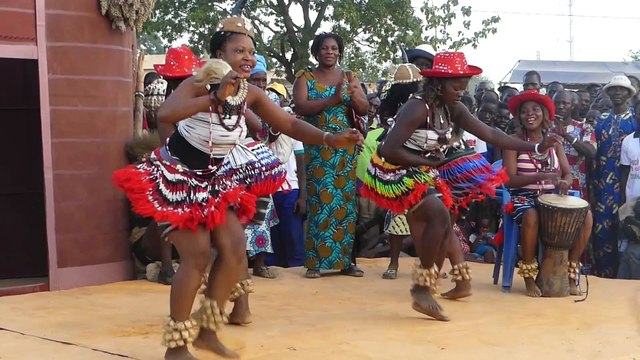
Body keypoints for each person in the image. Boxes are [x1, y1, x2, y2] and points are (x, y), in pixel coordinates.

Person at [113, 17, 362, 360]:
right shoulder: (199, 83)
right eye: (239, 50)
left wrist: (330, 138)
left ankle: (207, 332)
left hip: (215, 181)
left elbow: (288, 123)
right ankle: (176, 348)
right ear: (219, 53)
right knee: (198, 257)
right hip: (179, 180)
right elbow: (167, 114)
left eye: (251, 51)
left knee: (234, 252)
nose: (247, 57)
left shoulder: (251, 92)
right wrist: (215, 97)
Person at [362, 52, 559, 320]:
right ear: (438, 84)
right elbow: (388, 150)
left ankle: (457, 281)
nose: (460, 92)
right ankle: (422, 289)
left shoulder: (453, 107)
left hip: (422, 168)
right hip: (393, 170)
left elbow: (490, 134)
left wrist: (534, 146)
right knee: (439, 214)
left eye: (463, 87)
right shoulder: (418, 107)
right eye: (456, 87)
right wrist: (425, 161)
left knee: (446, 217)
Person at [293, 32, 368, 279]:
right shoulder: (305, 77)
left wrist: (354, 94)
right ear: (317, 51)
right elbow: (301, 107)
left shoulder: (349, 76)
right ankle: (314, 263)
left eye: (334, 48)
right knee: (319, 201)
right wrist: (332, 99)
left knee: (346, 204)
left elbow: (363, 108)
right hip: (317, 143)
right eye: (325, 48)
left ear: (339, 52)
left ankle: (347, 262)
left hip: (345, 149)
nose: (330, 52)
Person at [503, 90, 592, 297]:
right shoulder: (512, 141)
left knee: (585, 215)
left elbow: (567, 173)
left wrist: (564, 182)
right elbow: (508, 180)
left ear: (544, 114)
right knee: (532, 214)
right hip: (523, 199)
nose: (530, 114)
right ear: (519, 116)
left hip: (551, 199)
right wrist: (540, 176)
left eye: (535, 110)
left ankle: (570, 274)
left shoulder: (554, 142)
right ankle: (528, 275)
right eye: (524, 111)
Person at [593, 75, 637, 278]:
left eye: (622, 90)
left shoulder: (635, 120)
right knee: (602, 232)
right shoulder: (600, 120)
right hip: (602, 184)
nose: (617, 93)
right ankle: (603, 277)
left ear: (629, 94)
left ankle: (623, 278)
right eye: (614, 89)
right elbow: (593, 154)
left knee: (626, 232)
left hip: (627, 185)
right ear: (609, 93)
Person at [553, 90, 597, 199]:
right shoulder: (545, 128)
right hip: (552, 185)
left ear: (572, 106)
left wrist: (567, 136)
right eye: (557, 103)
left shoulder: (584, 128)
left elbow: (591, 152)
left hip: (576, 187)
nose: (560, 106)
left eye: (565, 103)